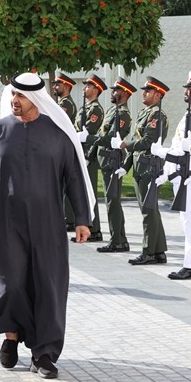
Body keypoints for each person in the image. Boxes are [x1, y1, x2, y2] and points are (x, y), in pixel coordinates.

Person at [0, 73, 93, 379]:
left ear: (36, 99)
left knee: (48, 287)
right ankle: (11, 335)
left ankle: (44, 354)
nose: (15, 100)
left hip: (48, 225)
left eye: (22, 96)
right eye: (13, 94)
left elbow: (75, 179)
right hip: (4, 224)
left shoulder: (58, 136)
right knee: (10, 285)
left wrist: (82, 219)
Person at [153, 72, 191, 280]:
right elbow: (180, 147)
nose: (186, 92)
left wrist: (164, 153)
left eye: (190, 89)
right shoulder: (188, 115)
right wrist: (166, 171)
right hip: (182, 175)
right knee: (187, 221)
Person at [122, 77, 170, 265]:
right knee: (150, 210)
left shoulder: (157, 116)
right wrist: (125, 165)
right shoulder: (146, 113)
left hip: (149, 166)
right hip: (141, 165)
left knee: (148, 211)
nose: (144, 93)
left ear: (158, 95)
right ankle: (159, 251)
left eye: (148, 91)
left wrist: (126, 145)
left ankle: (148, 252)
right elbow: (138, 140)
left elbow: (147, 142)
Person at [95, 77, 134, 253]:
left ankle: (117, 240)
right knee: (111, 201)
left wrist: (88, 139)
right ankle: (120, 239)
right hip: (106, 160)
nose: (112, 93)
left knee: (113, 202)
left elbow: (111, 137)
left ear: (124, 93)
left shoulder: (123, 114)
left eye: (116, 91)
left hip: (113, 160)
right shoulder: (113, 110)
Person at [74, 73, 107, 242]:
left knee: (90, 192)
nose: (85, 88)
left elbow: (93, 135)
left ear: (96, 89)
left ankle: (95, 229)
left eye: (88, 86)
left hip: (90, 156)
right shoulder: (84, 108)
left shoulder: (96, 110)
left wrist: (87, 156)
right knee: (84, 192)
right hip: (81, 154)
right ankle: (89, 226)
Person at [54, 72, 79, 231]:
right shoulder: (61, 102)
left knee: (65, 185)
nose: (55, 86)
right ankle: (67, 217)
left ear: (67, 86)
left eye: (58, 84)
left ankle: (69, 219)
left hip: (63, 146)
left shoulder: (66, 104)